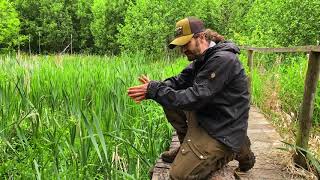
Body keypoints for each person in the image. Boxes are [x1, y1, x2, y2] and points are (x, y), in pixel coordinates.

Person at [127, 17, 255, 179]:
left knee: (178, 175)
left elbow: (196, 97)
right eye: (180, 46)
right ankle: (186, 146)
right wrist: (153, 88)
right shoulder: (203, 59)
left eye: (185, 44)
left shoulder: (223, 60)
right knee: (166, 96)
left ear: (201, 37)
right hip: (210, 115)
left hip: (223, 126)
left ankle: (230, 151)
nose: (182, 50)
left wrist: (156, 90)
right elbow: (178, 81)